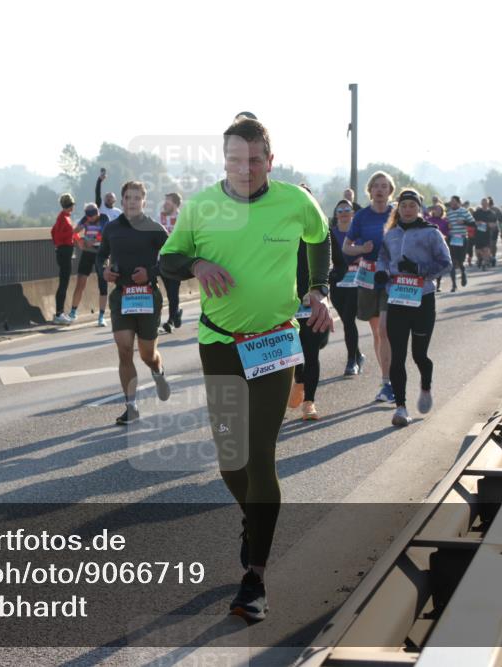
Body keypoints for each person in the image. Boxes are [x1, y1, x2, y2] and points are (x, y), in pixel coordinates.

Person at [159, 116, 333, 623]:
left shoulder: (295, 202)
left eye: (255, 160)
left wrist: (318, 289)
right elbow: (168, 258)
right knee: (231, 461)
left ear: (270, 162)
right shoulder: (201, 206)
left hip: (276, 341)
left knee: (259, 454)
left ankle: (254, 577)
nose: (245, 169)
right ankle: (253, 521)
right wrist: (196, 266)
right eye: (236, 160)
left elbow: (320, 239)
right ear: (225, 160)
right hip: (220, 344)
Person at [96, 181, 171, 425]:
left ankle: (157, 371)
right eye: (128, 197)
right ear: (122, 199)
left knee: (147, 354)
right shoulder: (112, 229)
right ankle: (131, 407)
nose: (132, 201)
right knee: (125, 348)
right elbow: (100, 256)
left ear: (144, 202)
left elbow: (172, 258)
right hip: (122, 296)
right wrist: (104, 272)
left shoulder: (155, 229)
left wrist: (150, 273)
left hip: (148, 295)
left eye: (137, 197)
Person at [376, 188, 451, 427]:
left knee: (419, 355)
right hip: (397, 298)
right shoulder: (390, 235)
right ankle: (400, 407)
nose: (408, 210)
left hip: (423, 300)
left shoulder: (431, 234)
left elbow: (446, 263)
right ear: (398, 208)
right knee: (397, 356)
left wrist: (419, 269)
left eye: (412, 205)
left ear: (419, 208)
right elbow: (383, 258)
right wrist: (381, 273)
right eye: (404, 205)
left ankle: (426, 387)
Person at [345, 171, 396, 402]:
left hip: (390, 276)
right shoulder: (362, 216)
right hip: (367, 276)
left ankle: (388, 382)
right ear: (370, 190)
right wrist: (361, 250)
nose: (379, 190)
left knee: (385, 329)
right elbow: (347, 247)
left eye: (384, 186)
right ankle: (387, 377)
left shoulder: (397, 213)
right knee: (377, 332)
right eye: (376, 185)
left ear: (390, 190)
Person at [288, 184, 332, 420]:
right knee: (293, 354)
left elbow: (330, 265)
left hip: (312, 301)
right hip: (285, 303)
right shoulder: (279, 231)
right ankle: (298, 380)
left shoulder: (322, 229)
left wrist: (321, 291)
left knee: (312, 352)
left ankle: (309, 402)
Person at [328, 198, 365, 375]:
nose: (343, 213)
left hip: (356, 280)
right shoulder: (329, 233)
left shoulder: (359, 233)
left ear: (353, 213)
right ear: (336, 215)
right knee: (345, 320)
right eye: (340, 210)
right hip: (336, 281)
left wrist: (362, 256)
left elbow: (370, 251)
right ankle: (358, 354)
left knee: (349, 319)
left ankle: (352, 361)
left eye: (347, 209)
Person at [68, 203, 110, 326]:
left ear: (97, 212)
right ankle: (73, 312)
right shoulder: (85, 219)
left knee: (102, 284)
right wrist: (79, 240)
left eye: (93, 216)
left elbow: (105, 232)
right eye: (89, 216)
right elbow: (75, 231)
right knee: (80, 282)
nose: (91, 218)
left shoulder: (104, 218)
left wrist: (95, 240)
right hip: (87, 253)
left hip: (101, 253)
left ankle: (101, 316)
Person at [50, 193, 78, 324]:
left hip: (63, 250)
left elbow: (53, 232)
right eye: (72, 205)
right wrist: (73, 232)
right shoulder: (64, 218)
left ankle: (60, 312)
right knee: (63, 283)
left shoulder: (63, 217)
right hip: (65, 251)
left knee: (64, 283)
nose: (73, 207)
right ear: (70, 205)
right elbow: (61, 233)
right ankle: (59, 313)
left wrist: (57, 244)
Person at [159, 192, 184, 333]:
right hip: (161, 259)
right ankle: (176, 313)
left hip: (176, 259)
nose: (164, 204)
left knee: (173, 291)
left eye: (167, 202)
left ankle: (170, 321)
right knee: (168, 292)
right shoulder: (160, 216)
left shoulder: (182, 218)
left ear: (175, 204)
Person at [445, 195, 475, 291]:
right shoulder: (448, 213)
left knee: (460, 261)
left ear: (458, 202)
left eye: (454, 201)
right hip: (452, 239)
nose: (452, 203)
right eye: (451, 202)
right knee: (452, 261)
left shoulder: (464, 211)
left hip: (462, 238)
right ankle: (454, 285)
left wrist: (464, 222)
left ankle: (463, 272)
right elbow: (445, 224)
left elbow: (473, 223)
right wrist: (447, 225)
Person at [426, 202, 450, 292]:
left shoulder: (445, 221)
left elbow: (448, 232)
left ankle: (438, 284)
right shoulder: (428, 220)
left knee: (439, 264)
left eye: (439, 209)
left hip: (440, 245)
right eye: (436, 209)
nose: (437, 211)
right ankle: (430, 281)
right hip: (429, 244)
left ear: (442, 211)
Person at [473, 198, 496, 270]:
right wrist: (477, 223)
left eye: (485, 203)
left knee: (486, 249)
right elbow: (472, 222)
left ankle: (484, 264)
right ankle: (491, 258)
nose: (484, 204)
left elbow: (495, 224)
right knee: (478, 251)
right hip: (478, 234)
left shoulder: (492, 213)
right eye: (483, 203)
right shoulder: (477, 212)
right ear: (481, 203)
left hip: (487, 234)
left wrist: (490, 224)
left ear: (488, 204)